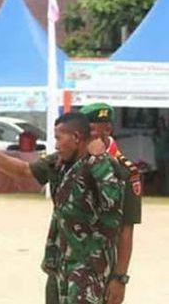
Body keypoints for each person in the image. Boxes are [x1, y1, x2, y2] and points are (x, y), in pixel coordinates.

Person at [0, 112, 125, 304]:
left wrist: (119, 278)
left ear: (76, 138)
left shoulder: (103, 165)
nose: (56, 144)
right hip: (60, 264)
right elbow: (25, 170)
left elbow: (116, 217)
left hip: (89, 269)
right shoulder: (60, 161)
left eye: (59, 138)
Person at [80, 102, 142, 304]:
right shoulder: (73, 159)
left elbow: (126, 229)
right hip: (66, 264)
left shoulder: (124, 171)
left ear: (107, 129)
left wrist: (120, 278)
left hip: (100, 269)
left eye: (89, 128)